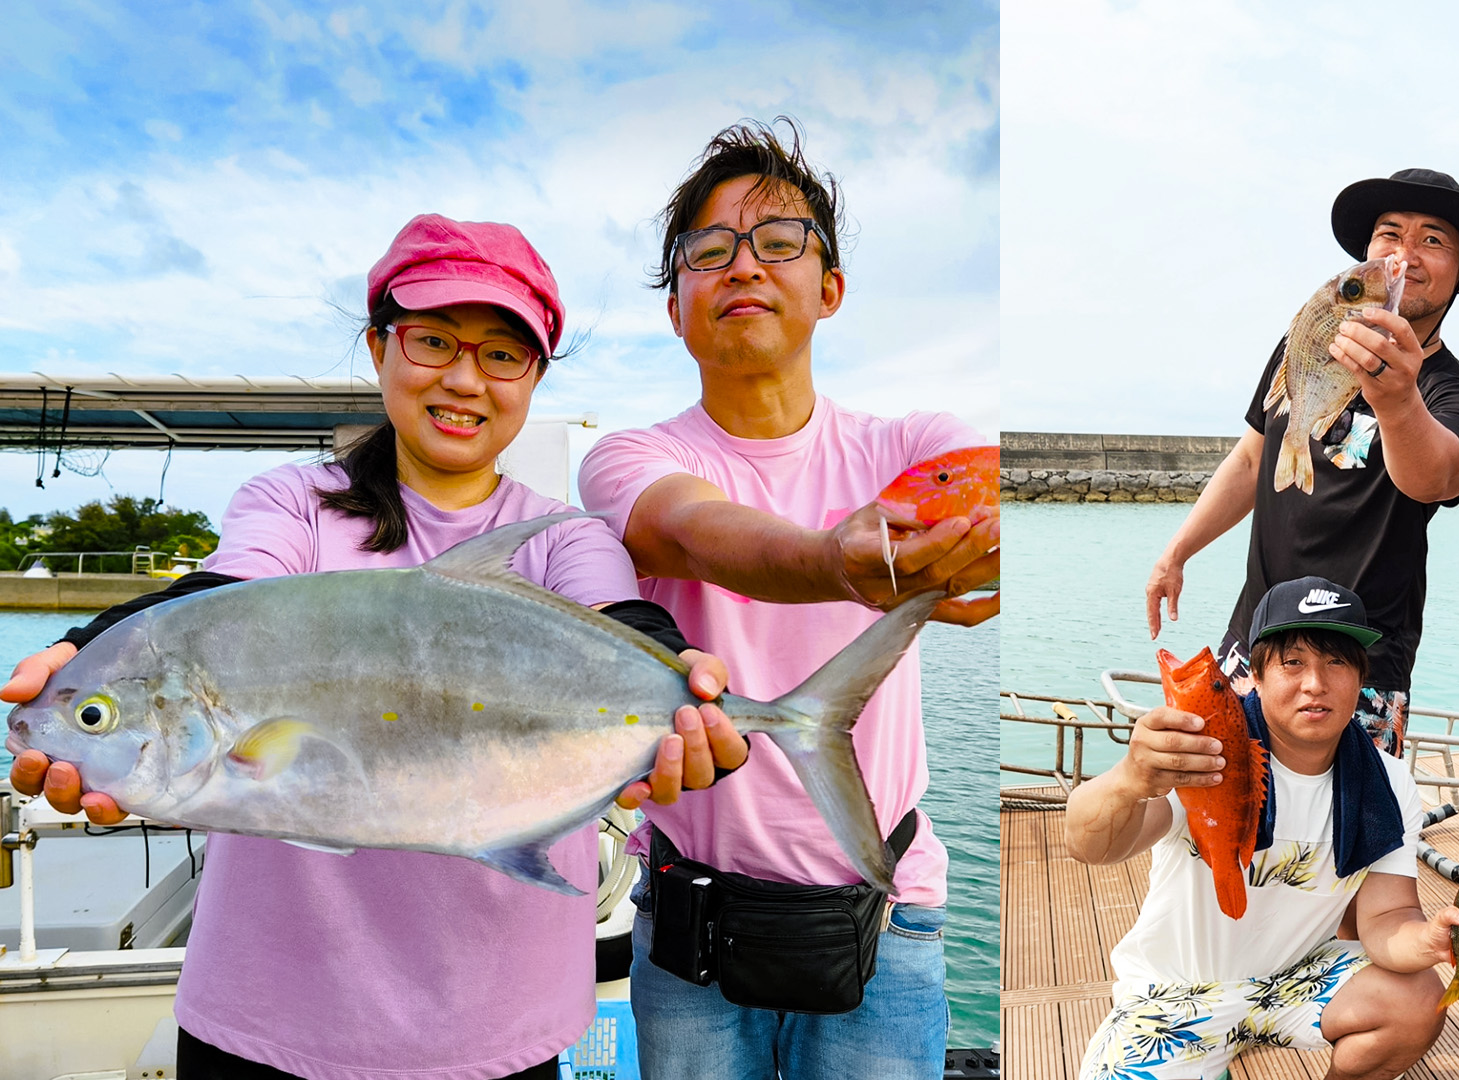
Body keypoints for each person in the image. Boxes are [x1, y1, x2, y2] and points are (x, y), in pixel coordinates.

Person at [2, 214, 743, 1080]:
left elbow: (626, 624)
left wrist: (687, 688)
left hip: (501, 1027)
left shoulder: (560, 537)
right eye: (433, 340)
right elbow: (220, 602)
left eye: (502, 354)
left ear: (535, 375)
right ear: (379, 344)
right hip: (264, 1020)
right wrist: (89, 653)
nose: (464, 379)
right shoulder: (292, 504)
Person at [575, 119, 999, 1080]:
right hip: (692, 933)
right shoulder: (632, 458)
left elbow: (986, 512)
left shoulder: (914, 446)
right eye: (707, 252)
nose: (742, 268)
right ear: (676, 308)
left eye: (778, 243)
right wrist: (833, 560)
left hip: (885, 916)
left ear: (830, 290)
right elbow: (690, 528)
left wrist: (981, 561)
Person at [1070, 576, 1459, 1080]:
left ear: (1361, 679)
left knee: (1415, 1001)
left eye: (1337, 662)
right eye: (1293, 662)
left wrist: (1435, 940)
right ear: (1255, 675)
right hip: (1175, 994)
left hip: (1295, 979)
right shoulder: (1204, 752)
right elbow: (1089, 846)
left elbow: (1386, 917)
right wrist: (1131, 777)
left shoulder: (1388, 782)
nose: (1315, 684)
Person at [1144, 168, 1459, 757]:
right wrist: (1175, 553)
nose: (1405, 256)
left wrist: (1397, 399)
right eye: (1390, 235)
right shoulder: (1304, 342)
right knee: (1223, 823)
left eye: (1433, 241)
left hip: (1359, 669)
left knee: (1343, 842)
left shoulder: (1456, 395)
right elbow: (1250, 458)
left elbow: (1436, 477)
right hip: (1254, 647)